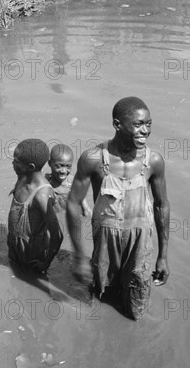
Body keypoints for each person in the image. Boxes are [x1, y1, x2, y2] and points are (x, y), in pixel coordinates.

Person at [66, 97, 170, 320]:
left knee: (135, 311)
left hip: (140, 244)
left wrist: (163, 255)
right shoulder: (93, 159)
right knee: (101, 296)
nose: (145, 131)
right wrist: (78, 255)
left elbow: (162, 206)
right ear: (117, 124)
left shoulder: (154, 162)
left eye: (148, 124)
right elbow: (73, 203)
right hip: (105, 242)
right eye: (138, 124)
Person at [8, 139, 63, 278]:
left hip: (33, 253)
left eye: (16, 161)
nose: (12, 163)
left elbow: (57, 235)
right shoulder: (22, 176)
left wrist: (45, 264)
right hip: (15, 245)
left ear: (31, 167)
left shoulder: (41, 195)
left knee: (30, 278)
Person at [45, 144, 91, 217]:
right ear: (50, 163)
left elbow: (86, 209)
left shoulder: (74, 183)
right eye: (59, 166)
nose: (63, 171)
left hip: (72, 222)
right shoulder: (45, 183)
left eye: (68, 166)